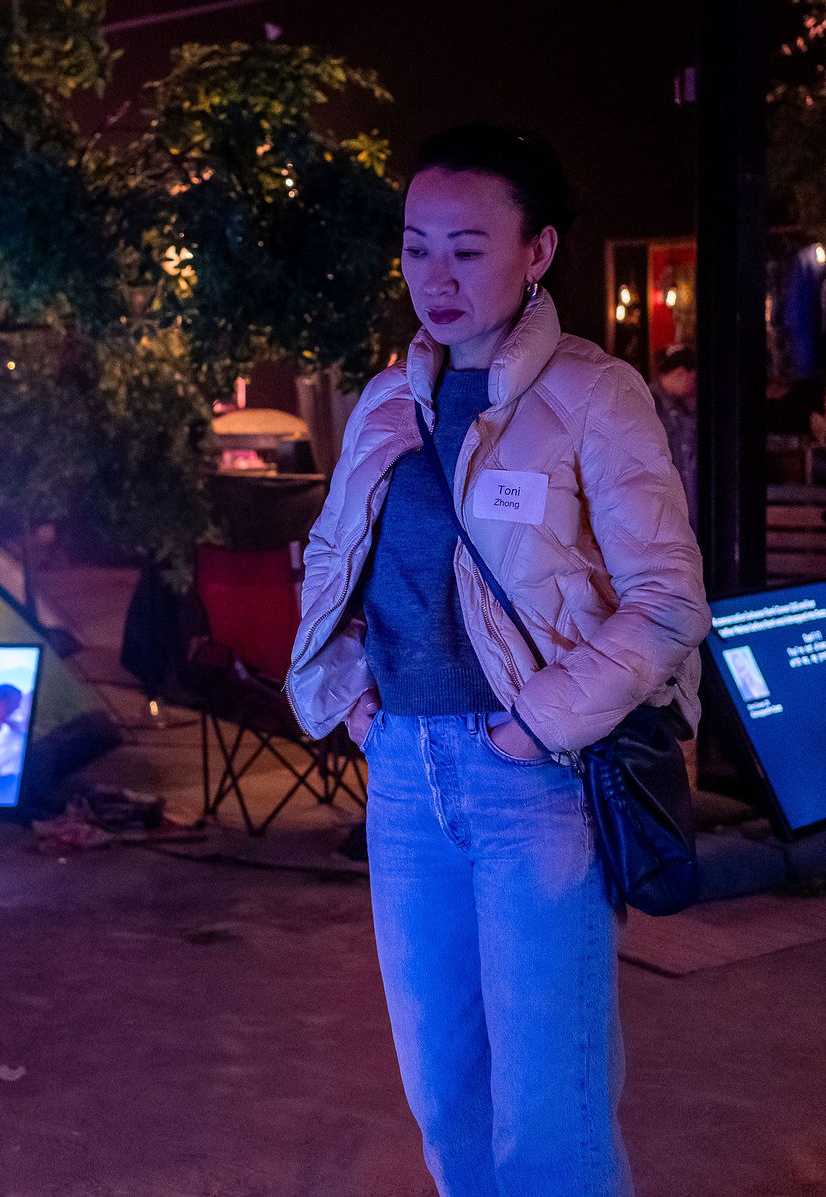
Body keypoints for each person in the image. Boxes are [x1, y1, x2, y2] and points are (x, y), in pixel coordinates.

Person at [286, 123, 710, 1197]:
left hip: (536, 784)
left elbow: (667, 601)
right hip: (403, 778)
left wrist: (536, 725)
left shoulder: (594, 394)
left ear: (538, 250)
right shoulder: (387, 401)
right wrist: (349, 692)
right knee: (445, 1102)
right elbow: (337, 564)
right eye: (416, 246)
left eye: (467, 249)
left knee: (549, 1120)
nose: (435, 276)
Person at [652, 344, 698, 530]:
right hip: (661, 505)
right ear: (681, 373)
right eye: (694, 379)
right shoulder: (649, 402)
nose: (695, 387)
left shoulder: (679, 404)